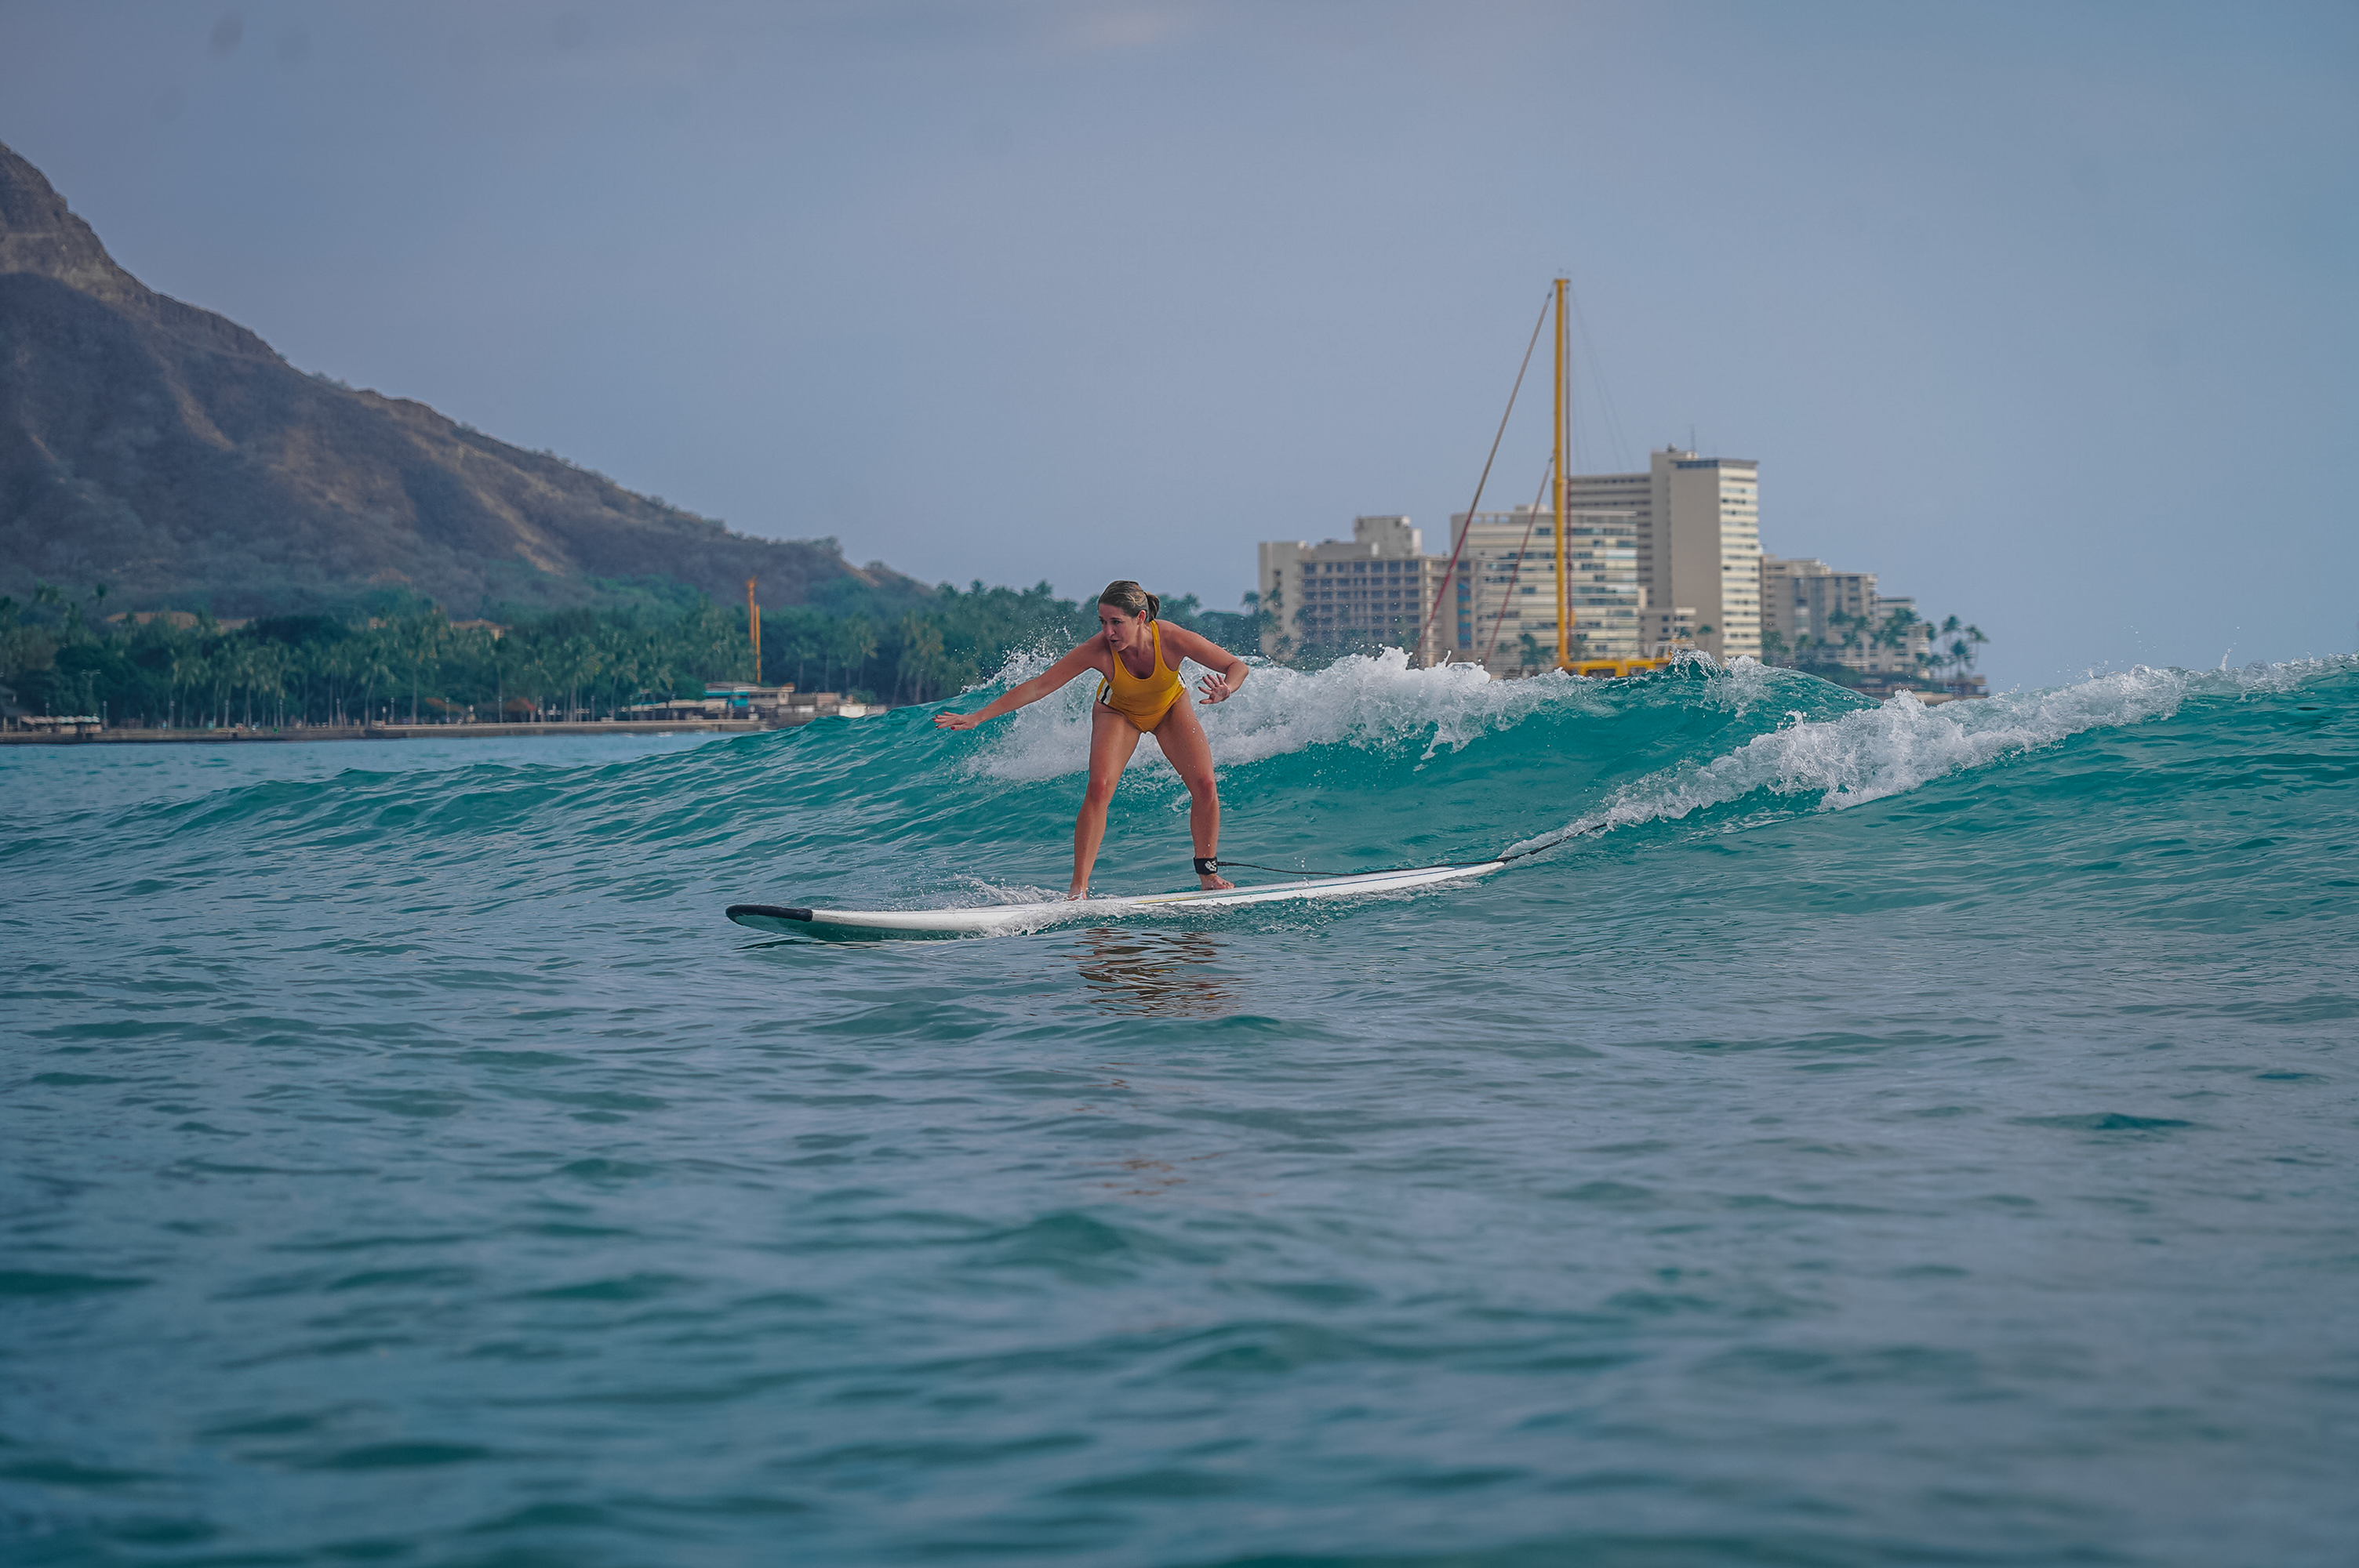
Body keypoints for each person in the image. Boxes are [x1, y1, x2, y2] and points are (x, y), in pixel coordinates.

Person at [933, 581, 1249, 898]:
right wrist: (978, 716)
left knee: (1206, 785)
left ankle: (1208, 875)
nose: (1108, 632)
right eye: (1102, 622)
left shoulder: (1170, 638)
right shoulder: (1098, 650)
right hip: (1118, 713)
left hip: (1170, 709)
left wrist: (1227, 689)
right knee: (1098, 789)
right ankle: (1079, 888)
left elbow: (1236, 666)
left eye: (1116, 623)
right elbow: (1039, 686)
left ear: (1140, 618)